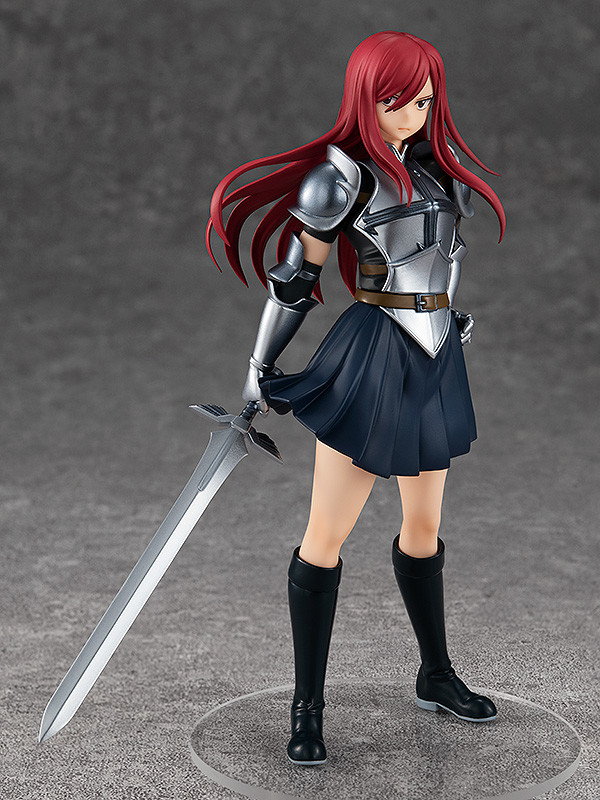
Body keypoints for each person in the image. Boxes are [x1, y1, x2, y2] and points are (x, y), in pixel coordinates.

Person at [206, 31, 506, 766]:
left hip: (433, 358)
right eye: (395, 100)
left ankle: (435, 675)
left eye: (423, 100)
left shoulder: (440, 176)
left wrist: (449, 313)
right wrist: (258, 369)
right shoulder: (340, 179)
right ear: (365, 98)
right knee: (326, 536)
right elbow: (294, 284)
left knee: (424, 529)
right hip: (373, 358)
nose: (412, 114)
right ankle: (306, 706)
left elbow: (447, 257)